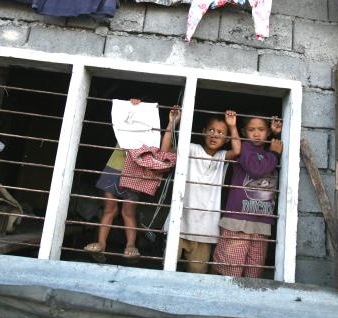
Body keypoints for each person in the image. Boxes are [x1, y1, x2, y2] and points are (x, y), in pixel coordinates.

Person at [162, 107, 240, 273]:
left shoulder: (221, 157)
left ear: (226, 139)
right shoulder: (192, 149)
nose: (214, 135)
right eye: (211, 130)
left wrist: (232, 126)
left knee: (197, 274)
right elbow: (165, 151)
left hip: (205, 229)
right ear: (204, 132)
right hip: (180, 223)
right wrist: (172, 123)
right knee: (167, 269)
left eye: (220, 132)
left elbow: (237, 151)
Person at [212, 115, 282, 278]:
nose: (257, 134)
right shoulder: (243, 148)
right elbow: (256, 169)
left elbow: (271, 160)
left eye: (261, 130)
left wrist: (277, 136)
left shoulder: (270, 152)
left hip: (262, 222)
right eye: (252, 130)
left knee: (253, 274)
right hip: (238, 222)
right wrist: (274, 154)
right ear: (244, 132)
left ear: (268, 133)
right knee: (231, 273)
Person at [84, 99, 143, 258]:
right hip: (114, 167)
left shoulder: (149, 130)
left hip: (135, 172)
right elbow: (119, 117)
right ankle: (102, 243)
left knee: (128, 212)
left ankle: (131, 244)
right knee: (109, 209)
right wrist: (131, 106)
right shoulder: (125, 123)